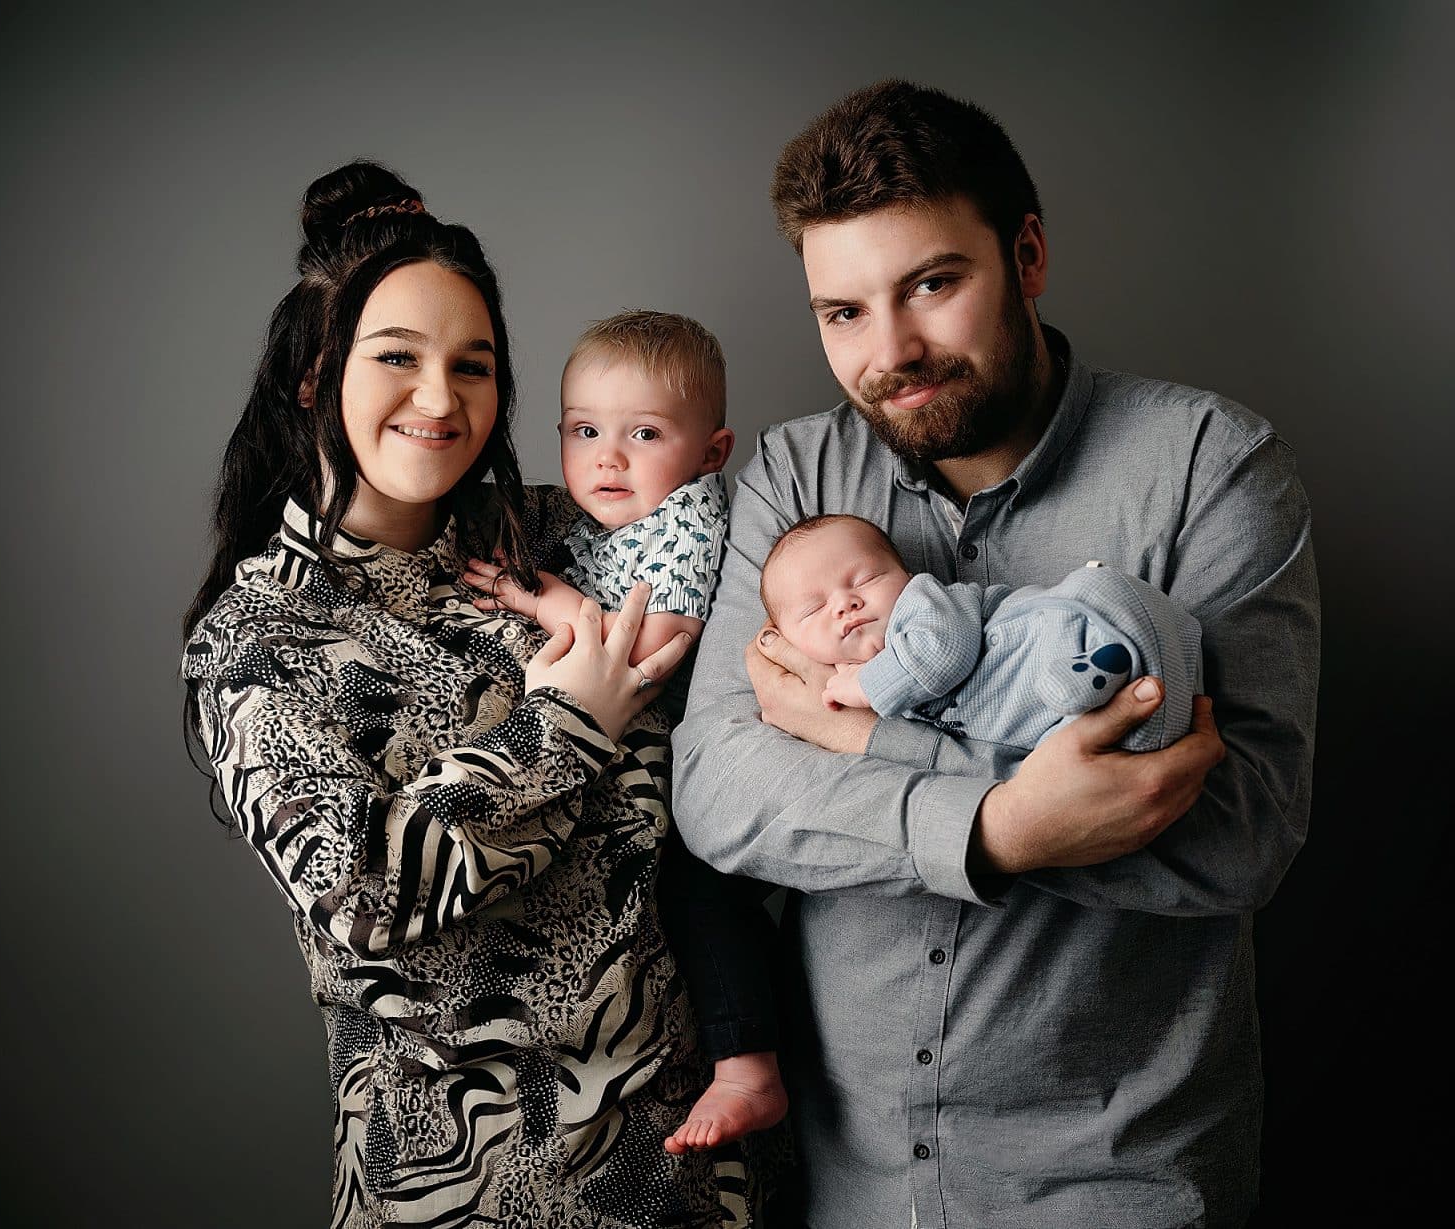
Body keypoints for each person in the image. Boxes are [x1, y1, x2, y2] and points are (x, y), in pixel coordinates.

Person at [672, 81, 1320, 1228]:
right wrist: (1002, 826)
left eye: (932, 284)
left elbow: (1242, 833)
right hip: (848, 1184)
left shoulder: (1209, 466)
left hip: (1121, 1186)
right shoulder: (792, 481)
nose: (892, 352)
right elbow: (721, 787)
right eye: (843, 312)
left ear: (1025, 253)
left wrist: (857, 747)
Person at [181, 162, 766, 1228]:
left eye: (475, 364)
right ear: (314, 376)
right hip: (471, 1184)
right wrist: (567, 726)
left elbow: (760, 557)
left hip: (692, 1160)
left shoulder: (560, 530)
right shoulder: (260, 640)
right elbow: (368, 897)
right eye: (398, 357)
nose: (442, 399)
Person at [462, 311, 790, 1158]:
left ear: (711, 452)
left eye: (643, 432)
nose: (608, 457)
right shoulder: (606, 521)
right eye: (584, 431)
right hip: (654, 772)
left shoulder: (686, 519)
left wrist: (549, 604)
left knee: (703, 894)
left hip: (711, 766)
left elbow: (652, 647)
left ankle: (751, 1066)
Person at [759, 513, 1201, 752]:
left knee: (1046, 658)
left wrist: (864, 684)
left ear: (906, 573)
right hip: (1074, 717)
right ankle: (1094, 674)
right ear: (787, 642)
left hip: (1069, 624)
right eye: (815, 608)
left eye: (865, 579)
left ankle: (1097, 660)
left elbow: (943, 654)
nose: (845, 603)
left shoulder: (924, 604)